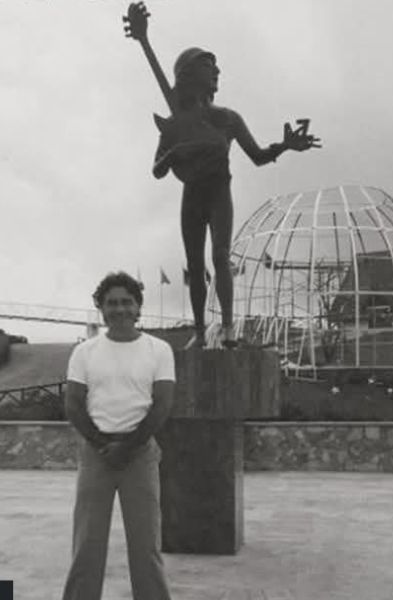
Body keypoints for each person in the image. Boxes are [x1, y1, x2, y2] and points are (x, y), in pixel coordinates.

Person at [152, 47, 320, 349]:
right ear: (189, 75)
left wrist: (284, 146)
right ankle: (201, 331)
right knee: (194, 261)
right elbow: (157, 170)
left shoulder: (228, 119)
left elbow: (257, 156)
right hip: (192, 195)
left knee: (220, 255)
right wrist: (177, 152)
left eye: (216, 66)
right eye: (208, 66)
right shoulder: (176, 121)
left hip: (218, 191)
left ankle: (228, 327)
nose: (217, 72)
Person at [61, 272, 175, 600]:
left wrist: (129, 447)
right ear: (101, 308)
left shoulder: (159, 349)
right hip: (96, 453)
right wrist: (101, 444)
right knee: (87, 544)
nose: (120, 309)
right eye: (112, 303)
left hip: (140, 454)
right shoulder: (85, 352)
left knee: (146, 545)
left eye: (127, 302)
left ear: (139, 306)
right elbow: (73, 404)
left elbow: (163, 403)